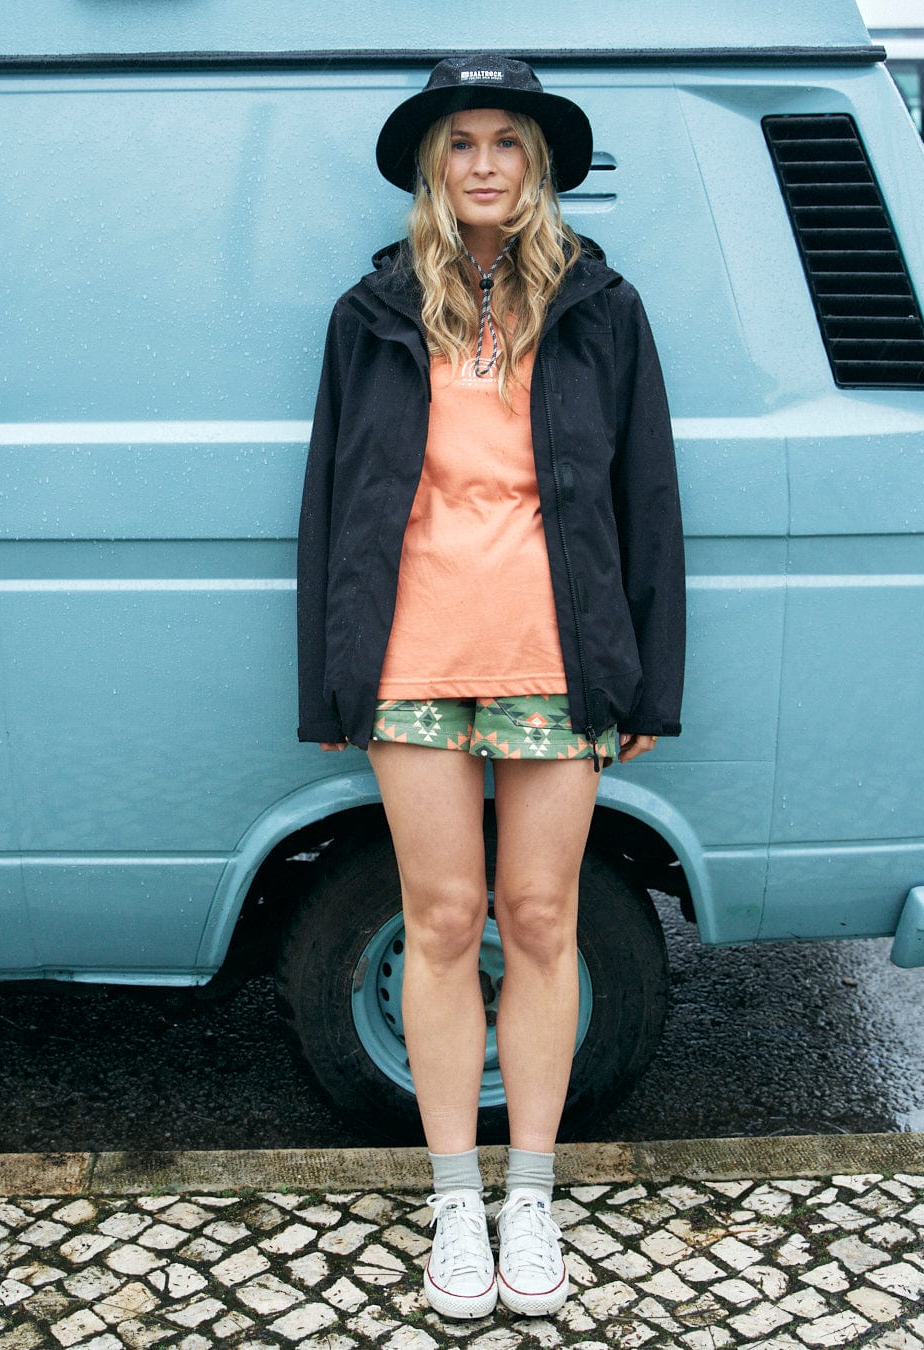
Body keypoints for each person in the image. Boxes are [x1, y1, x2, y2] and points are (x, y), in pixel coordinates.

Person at [297, 53, 685, 1320]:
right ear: (432, 166)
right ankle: (455, 1199)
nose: (482, 164)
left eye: (505, 141)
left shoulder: (600, 307)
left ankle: (531, 1193)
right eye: (460, 143)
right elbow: (330, 503)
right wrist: (332, 676)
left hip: (558, 661)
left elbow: (647, 500)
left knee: (541, 917)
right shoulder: (372, 313)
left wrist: (646, 683)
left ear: (539, 165)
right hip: (410, 659)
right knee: (445, 919)